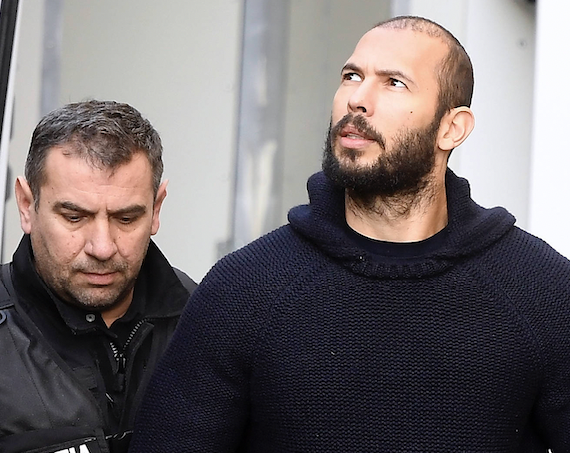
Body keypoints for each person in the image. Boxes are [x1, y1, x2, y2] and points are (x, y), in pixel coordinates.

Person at [130, 15, 570, 452]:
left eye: (393, 83)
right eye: (351, 76)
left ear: (451, 128)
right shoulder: (245, 287)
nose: (357, 99)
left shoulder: (541, 290)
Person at [0, 100, 195, 453]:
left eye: (126, 219)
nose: (102, 247)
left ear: (156, 208)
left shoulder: (203, 320)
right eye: (74, 217)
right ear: (27, 205)